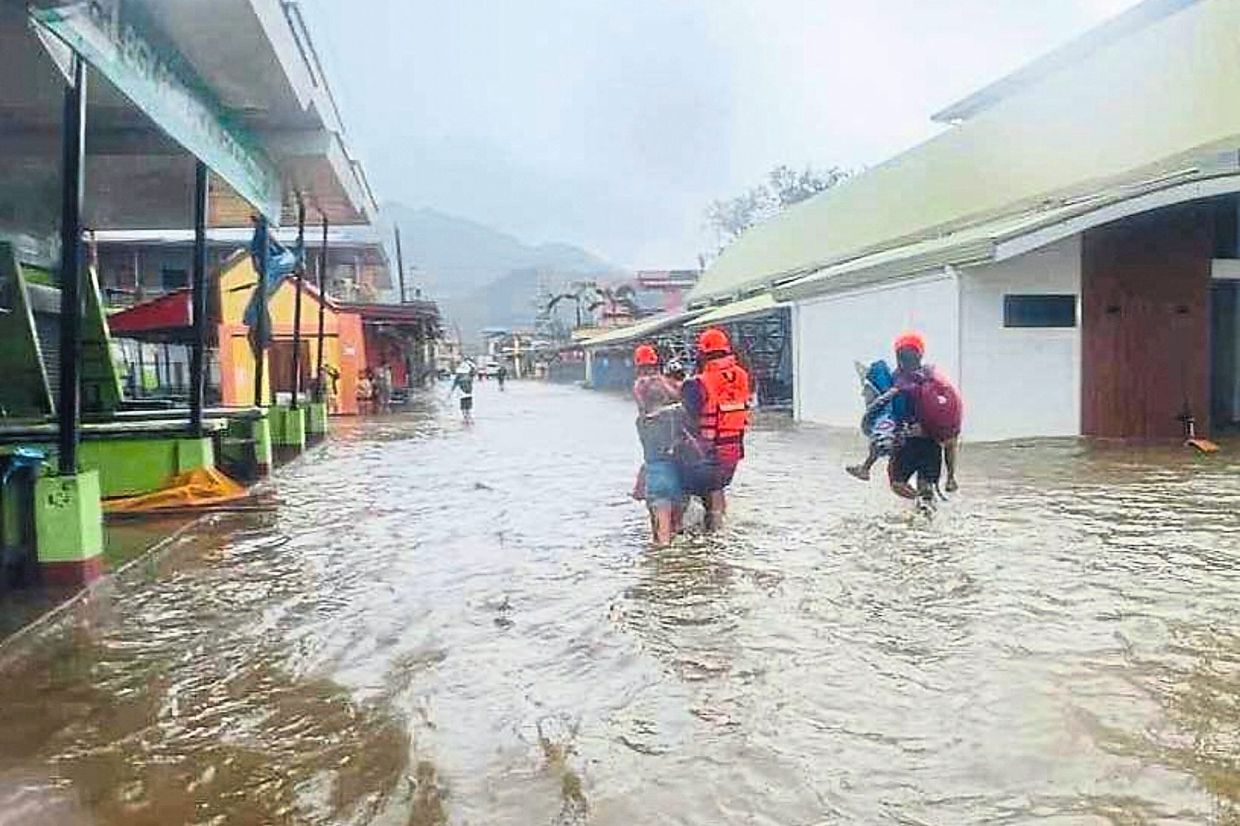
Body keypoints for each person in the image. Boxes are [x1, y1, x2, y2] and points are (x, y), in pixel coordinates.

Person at [878, 332, 962, 506]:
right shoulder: (933, 378)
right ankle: (927, 517)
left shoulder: (894, 379)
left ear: (897, 354)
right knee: (926, 488)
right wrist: (951, 476)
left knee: (897, 484)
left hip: (905, 442)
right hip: (931, 442)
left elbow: (884, 412)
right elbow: (950, 437)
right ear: (920, 354)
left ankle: (919, 508)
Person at [680, 327, 751, 531]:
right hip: (735, 450)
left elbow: (687, 416)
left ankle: (699, 544)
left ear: (702, 353)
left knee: (697, 489)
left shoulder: (698, 383)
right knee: (717, 489)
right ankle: (718, 538)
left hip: (707, 451)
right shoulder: (742, 376)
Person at [632, 344, 684, 546]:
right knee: (676, 530)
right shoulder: (676, 413)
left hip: (656, 473)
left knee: (661, 540)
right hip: (677, 473)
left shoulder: (643, 422)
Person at [846, 359, 899, 481]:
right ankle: (867, 468)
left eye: (865, 390)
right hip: (890, 427)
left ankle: (897, 480)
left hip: (886, 427)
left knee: (882, 445)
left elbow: (884, 440)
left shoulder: (884, 410)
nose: (863, 394)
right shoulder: (889, 397)